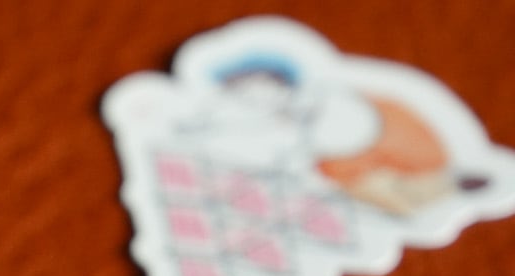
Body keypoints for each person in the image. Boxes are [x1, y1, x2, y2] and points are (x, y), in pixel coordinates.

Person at [181, 54, 492, 216]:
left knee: (401, 187)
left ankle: (445, 186)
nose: (250, 100)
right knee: (374, 190)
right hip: (360, 162)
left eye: (250, 90)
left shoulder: (323, 98)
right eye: (242, 96)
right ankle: (437, 190)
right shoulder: (284, 116)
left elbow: (346, 133)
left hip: (391, 144)